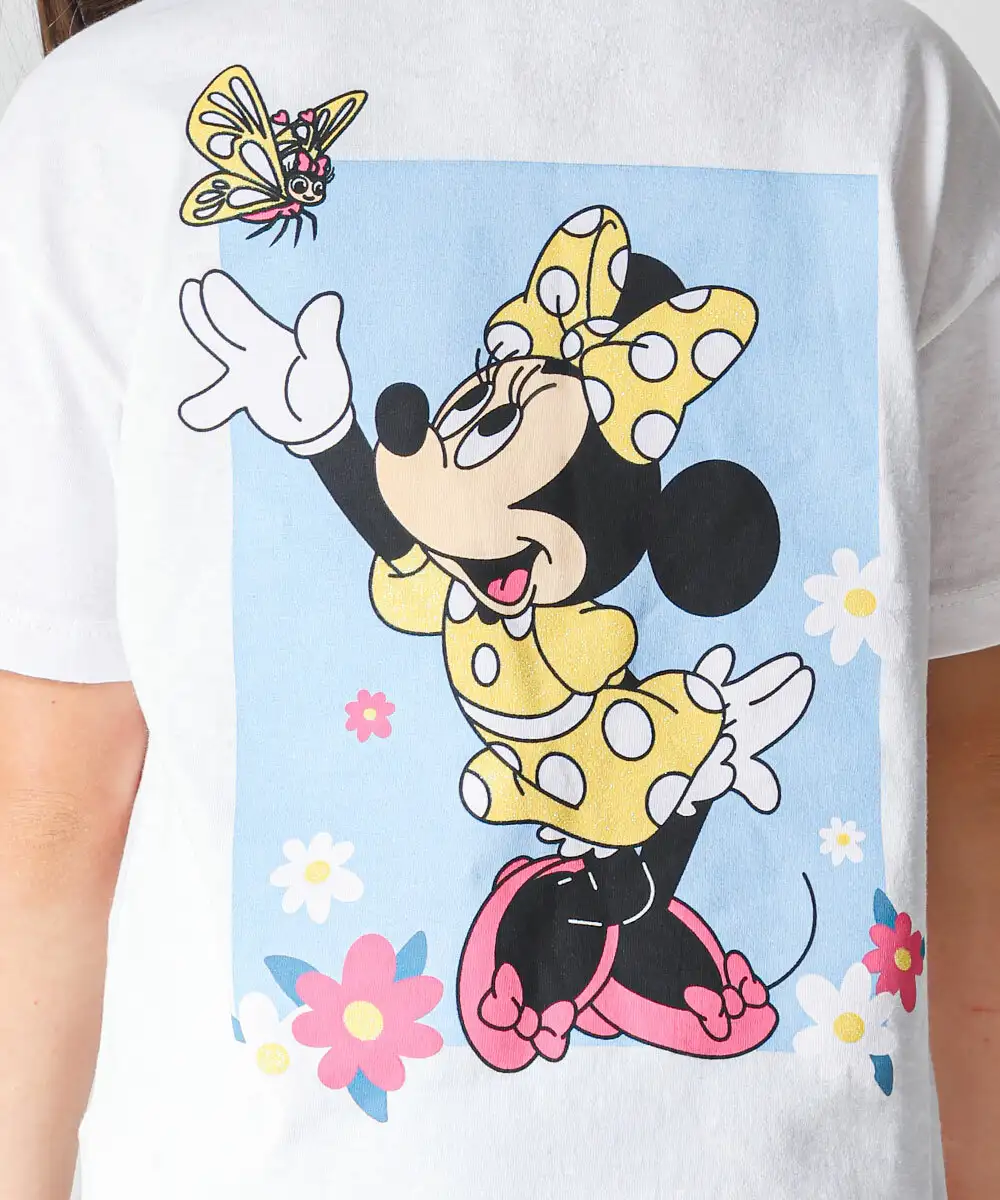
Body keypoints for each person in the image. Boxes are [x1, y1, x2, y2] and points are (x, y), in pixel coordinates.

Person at [1, 0, 997, 1196]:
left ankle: (621, 917)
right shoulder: (889, 83)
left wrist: (322, 433)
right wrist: (324, 436)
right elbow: (968, 781)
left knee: (658, 792)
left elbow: (52, 812)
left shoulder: (113, 108)